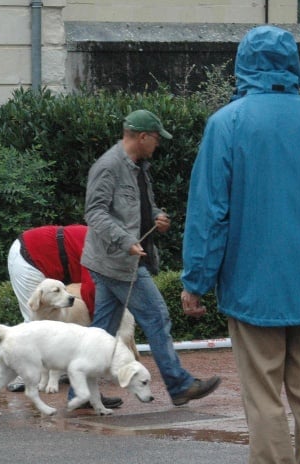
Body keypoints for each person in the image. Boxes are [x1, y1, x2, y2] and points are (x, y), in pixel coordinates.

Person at [182, 26, 300, 464]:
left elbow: (211, 213)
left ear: (244, 65)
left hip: (256, 287)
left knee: (264, 402)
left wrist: (195, 280)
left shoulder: (228, 124)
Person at [80, 109, 221, 409]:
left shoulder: (138, 166)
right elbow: (94, 213)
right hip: (117, 262)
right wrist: (125, 240)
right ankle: (180, 385)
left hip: (116, 260)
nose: (158, 144)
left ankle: (79, 394)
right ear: (142, 137)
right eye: (156, 138)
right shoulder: (108, 166)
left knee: (101, 331)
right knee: (157, 316)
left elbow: (145, 206)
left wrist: (157, 217)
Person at [6, 224, 123, 409]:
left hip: (40, 255)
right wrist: (97, 323)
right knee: (35, 322)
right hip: (28, 258)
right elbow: (90, 289)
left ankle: (62, 371)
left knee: (57, 327)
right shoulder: (97, 244)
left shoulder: (102, 240)